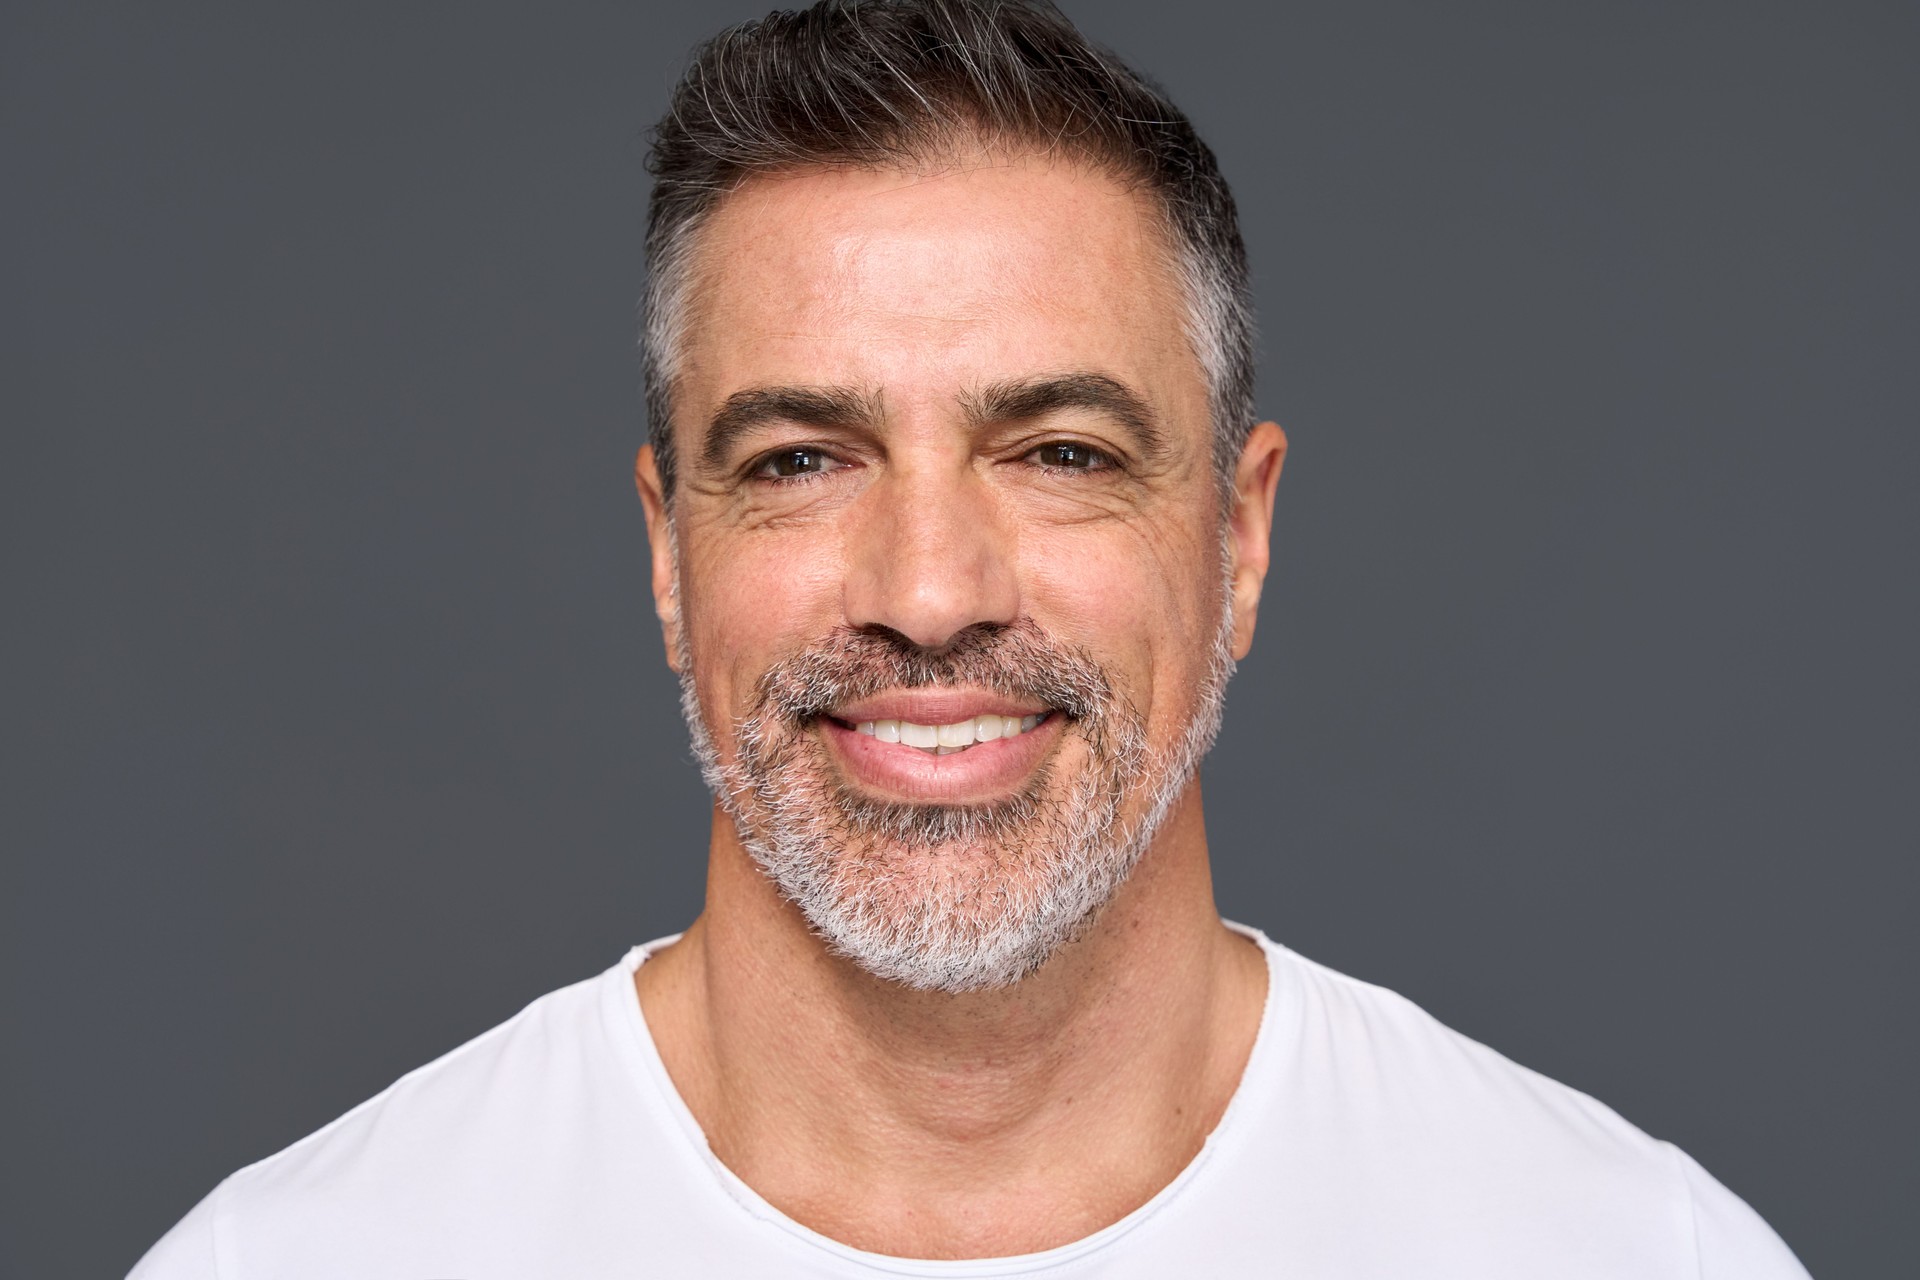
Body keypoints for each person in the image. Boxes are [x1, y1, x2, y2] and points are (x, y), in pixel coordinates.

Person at [131, 2, 1810, 1275]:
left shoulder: (1627, 1253)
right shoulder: (302, 1260)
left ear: (1238, 537)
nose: (929, 592)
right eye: (800, 460)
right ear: (667, 551)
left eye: (1061, 453)